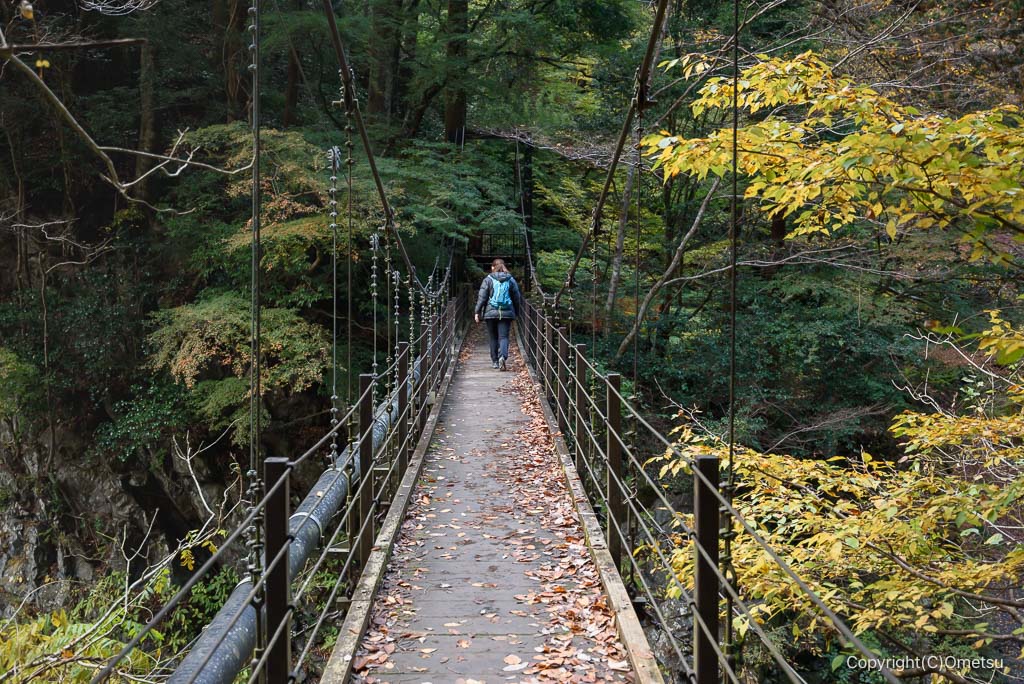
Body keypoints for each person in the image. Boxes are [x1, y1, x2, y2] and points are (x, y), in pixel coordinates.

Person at [474, 258, 524, 371]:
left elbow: (482, 298)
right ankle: (503, 356)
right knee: (504, 337)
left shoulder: (488, 279)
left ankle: (495, 362)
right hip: (506, 312)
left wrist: (477, 312)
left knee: (493, 338)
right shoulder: (510, 279)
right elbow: (517, 298)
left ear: (492, 267)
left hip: (490, 313)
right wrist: (517, 312)